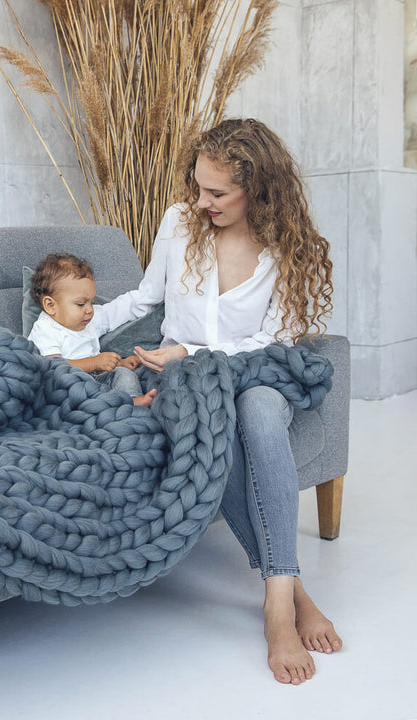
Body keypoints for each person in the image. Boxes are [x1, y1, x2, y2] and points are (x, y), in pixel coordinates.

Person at [94, 118, 342, 684]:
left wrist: (194, 353)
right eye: (198, 187)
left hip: (254, 368)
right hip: (183, 375)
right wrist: (66, 339)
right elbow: (144, 298)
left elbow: (277, 337)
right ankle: (287, 591)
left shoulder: (284, 245)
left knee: (254, 408)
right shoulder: (180, 222)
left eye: (217, 192)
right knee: (212, 420)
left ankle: (276, 605)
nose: (201, 201)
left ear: (257, 189)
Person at [27, 252, 157, 407]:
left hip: (95, 382)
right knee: (77, 387)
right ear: (50, 305)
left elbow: (97, 368)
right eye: (81, 304)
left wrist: (117, 364)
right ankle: (111, 406)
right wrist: (95, 362)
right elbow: (53, 368)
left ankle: (131, 402)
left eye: (91, 302)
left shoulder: (88, 322)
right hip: (67, 388)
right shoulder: (45, 329)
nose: (89, 310)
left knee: (123, 374)